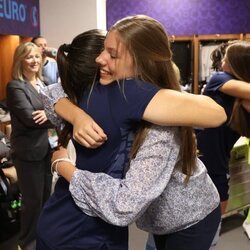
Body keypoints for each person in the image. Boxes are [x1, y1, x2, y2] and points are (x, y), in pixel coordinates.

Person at [37, 17, 226, 250]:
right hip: (153, 218)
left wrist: (64, 167)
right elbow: (52, 92)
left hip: (190, 219)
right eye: (103, 49)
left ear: (141, 63)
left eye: (112, 54)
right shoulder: (107, 90)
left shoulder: (154, 120)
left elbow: (124, 205)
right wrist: (77, 116)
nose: (100, 59)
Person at [196, 41, 250, 247]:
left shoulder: (238, 93)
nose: (223, 61)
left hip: (219, 163)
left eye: (227, 57)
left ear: (237, 63)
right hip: (202, 158)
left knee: (212, 225)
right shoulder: (219, 79)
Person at [6, 42, 55, 250]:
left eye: (36, 56)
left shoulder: (44, 84)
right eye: (29, 57)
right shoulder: (16, 86)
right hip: (28, 153)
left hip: (46, 149)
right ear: (20, 61)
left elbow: (55, 109)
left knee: (46, 199)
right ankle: (27, 243)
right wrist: (57, 114)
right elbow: (30, 118)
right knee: (32, 203)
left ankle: (42, 240)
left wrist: (51, 114)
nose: (34, 61)